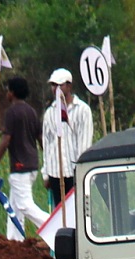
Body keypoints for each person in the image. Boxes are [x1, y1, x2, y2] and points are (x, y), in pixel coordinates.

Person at [0, 76, 49, 242]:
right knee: (14, 205)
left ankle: (53, 226)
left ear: (12, 93)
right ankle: (15, 240)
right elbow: (40, 139)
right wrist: (47, 160)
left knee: (25, 205)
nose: (6, 93)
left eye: (8, 90)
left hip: (20, 166)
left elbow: (6, 141)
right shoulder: (31, 111)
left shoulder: (12, 112)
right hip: (32, 165)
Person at [41, 68, 93, 210]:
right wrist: (46, 174)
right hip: (55, 173)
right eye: (53, 85)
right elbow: (47, 144)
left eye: (60, 85)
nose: (55, 89)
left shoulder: (82, 110)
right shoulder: (50, 113)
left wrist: (81, 172)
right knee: (58, 214)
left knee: (76, 212)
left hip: (73, 173)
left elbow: (84, 144)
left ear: (68, 86)